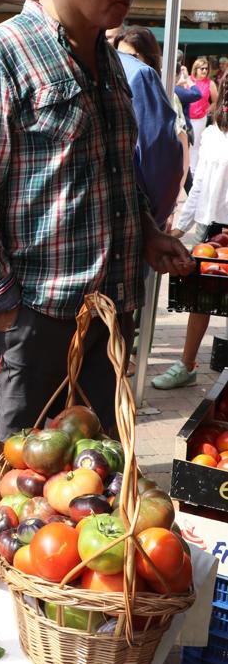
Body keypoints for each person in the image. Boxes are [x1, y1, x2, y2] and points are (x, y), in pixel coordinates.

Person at [0, 0, 194, 486]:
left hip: (110, 309)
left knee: (90, 462)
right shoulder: (1, 54)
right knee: (18, 463)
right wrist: (4, 309)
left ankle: (64, 574)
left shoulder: (110, 61)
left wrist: (150, 233)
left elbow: (114, 173)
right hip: (37, 311)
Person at [153, 76, 228, 390]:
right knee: (199, 300)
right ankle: (187, 364)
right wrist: (181, 226)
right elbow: (197, 187)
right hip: (209, 230)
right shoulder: (211, 134)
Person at [113, 25, 184, 229]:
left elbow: (168, 150)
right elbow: (162, 158)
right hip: (137, 215)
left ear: (149, 56)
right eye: (120, 54)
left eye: (133, 56)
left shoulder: (143, 77)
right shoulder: (138, 76)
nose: (125, 61)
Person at [189, 56, 218, 173]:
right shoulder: (188, 80)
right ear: (195, 69)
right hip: (186, 117)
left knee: (195, 144)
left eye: (206, 68)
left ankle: (193, 170)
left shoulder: (210, 83)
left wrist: (207, 110)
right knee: (184, 144)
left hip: (200, 118)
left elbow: (216, 101)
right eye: (202, 68)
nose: (205, 71)